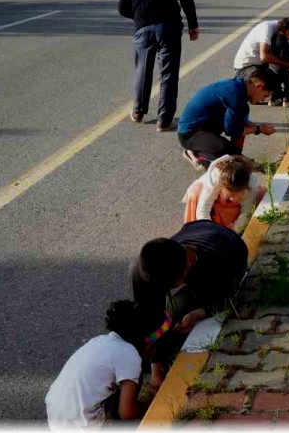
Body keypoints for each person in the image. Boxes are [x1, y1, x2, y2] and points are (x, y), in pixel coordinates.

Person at [130, 220, 249, 387]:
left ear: (187, 268)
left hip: (231, 250)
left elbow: (226, 298)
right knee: (155, 329)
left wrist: (197, 314)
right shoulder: (143, 267)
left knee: (178, 309)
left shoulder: (219, 264)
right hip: (194, 229)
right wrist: (155, 368)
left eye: (171, 286)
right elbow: (150, 314)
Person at [44, 300, 169, 429]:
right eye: (157, 347)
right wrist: (149, 407)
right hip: (85, 426)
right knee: (134, 381)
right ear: (149, 344)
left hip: (55, 416)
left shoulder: (100, 340)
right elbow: (126, 413)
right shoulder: (130, 355)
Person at [119, 0, 200, 132]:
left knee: (142, 70)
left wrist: (140, 16)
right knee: (168, 73)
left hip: (143, 29)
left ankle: (138, 112)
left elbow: (122, 8)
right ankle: (164, 121)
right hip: (169, 27)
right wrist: (193, 25)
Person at [176, 66, 279, 170]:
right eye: (265, 95)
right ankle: (196, 154)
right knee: (224, 158)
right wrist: (258, 129)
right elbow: (232, 130)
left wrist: (256, 127)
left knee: (242, 115)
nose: (263, 100)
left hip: (204, 125)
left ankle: (236, 155)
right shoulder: (236, 95)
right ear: (259, 86)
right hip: (189, 134)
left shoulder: (240, 86)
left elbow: (237, 123)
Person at [232, 16, 289, 107]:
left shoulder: (280, 33)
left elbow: (283, 55)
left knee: (278, 72)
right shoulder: (267, 29)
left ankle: (276, 96)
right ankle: (249, 93)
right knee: (264, 82)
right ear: (288, 31)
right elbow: (264, 56)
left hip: (260, 66)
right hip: (245, 68)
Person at [182, 155, 267, 232]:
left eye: (237, 195)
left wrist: (234, 229)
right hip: (218, 202)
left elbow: (245, 212)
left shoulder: (251, 187)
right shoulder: (215, 179)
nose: (233, 199)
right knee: (195, 191)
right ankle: (195, 230)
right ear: (221, 186)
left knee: (261, 194)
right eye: (229, 196)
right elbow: (203, 209)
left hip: (233, 206)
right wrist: (210, 230)